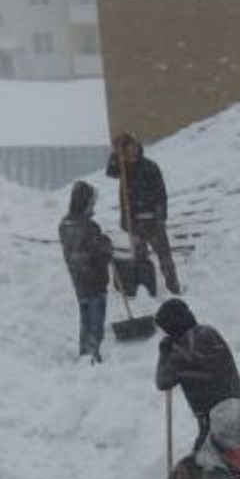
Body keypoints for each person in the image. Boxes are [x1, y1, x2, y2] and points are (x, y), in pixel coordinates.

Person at [155, 298, 240, 450]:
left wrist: (164, 353)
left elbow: (163, 381)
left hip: (215, 423)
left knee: (206, 466)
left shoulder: (182, 352)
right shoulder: (209, 331)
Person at [106, 131, 182, 295]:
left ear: (138, 147)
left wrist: (160, 218)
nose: (131, 151)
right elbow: (110, 172)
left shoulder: (149, 167)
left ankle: (173, 287)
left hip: (153, 222)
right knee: (140, 259)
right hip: (134, 223)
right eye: (127, 149)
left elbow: (161, 195)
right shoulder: (123, 167)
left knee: (164, 257)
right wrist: (115, 152)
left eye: (133, 147)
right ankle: (146, 289)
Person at [59, 180, 114, 363]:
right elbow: (100, 252)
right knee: (96, 322)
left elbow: (74, 251)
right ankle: (92, 354)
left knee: (85, 319)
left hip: (79, 281)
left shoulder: (65, 225)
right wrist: (106, 244)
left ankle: (85, 351)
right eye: (91, 202)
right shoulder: (89, 227)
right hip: (96, 281)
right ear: (86, 202)